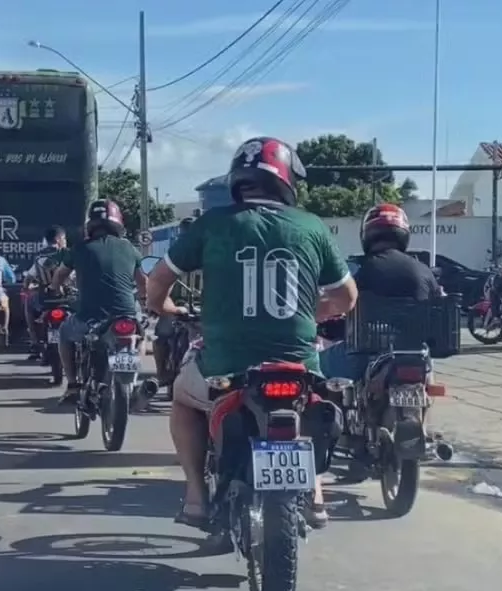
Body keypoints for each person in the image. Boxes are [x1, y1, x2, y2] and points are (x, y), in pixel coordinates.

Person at [146, 136, 358, 530]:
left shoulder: (213, 225)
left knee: (181, 398)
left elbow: (156, 283)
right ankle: (314, 491)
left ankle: (195, 496)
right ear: (288, 180)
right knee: (309, 408)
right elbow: (346, 297)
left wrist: (166, 309)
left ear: (238, 181)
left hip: (225, 365)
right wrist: (312, 312)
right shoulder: (311, 226)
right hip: (298, 366)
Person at [319, 203, 441, 382]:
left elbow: (338, 301)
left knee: (316, 364)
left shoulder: (358, 269)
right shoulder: (424, 270)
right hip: (417, 353)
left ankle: (335, 409)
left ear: (367, 235)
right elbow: (439, 304)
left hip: (364, 354)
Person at [49, 200, 147, 404]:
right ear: (118, 223)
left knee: (65, 333)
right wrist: (145, 301)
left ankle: (74, 384)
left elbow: (59, 276)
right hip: (125, 316)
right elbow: (143, 282)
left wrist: (55, 290)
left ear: (90, 225)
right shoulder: (130, 248)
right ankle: (134, 381)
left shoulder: (79, 248)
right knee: (140, 335)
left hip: (90, 318)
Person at [151, 216, 200, 386]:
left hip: (203, 309)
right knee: (160, 339)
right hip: (175, 306)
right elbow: (162, 282)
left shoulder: (211, 255)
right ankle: (162, 374)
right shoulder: (173, 256)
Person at [23, 225, 69, 359]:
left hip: (45, 299)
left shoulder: (39, 257)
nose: (65, 241)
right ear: (59, 239)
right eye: (64, 239)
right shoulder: (68, 254)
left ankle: (35, 342)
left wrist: (26, 289)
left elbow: (28, 278)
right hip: (67, 298)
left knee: (28, 306)